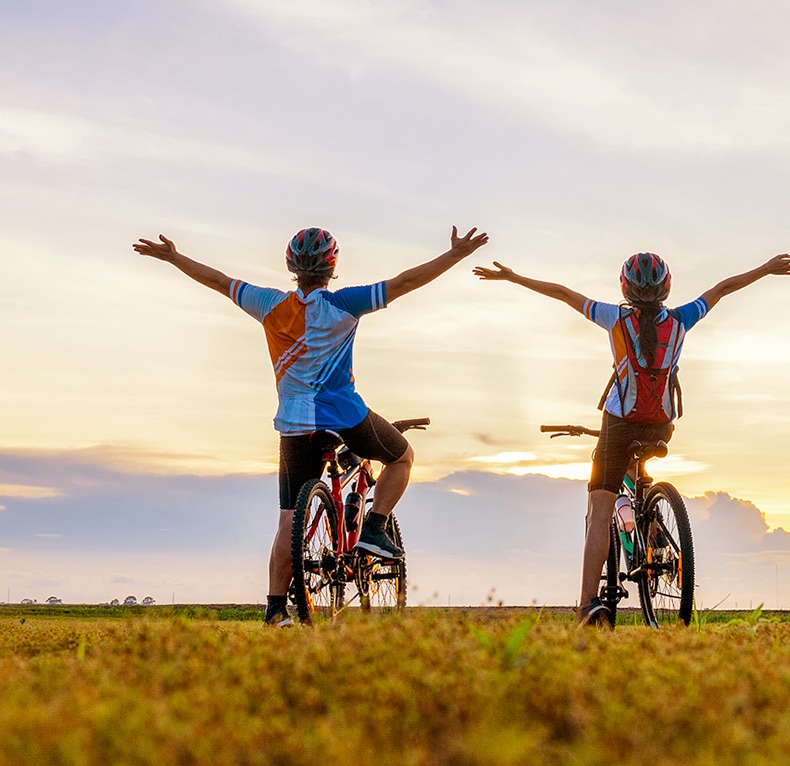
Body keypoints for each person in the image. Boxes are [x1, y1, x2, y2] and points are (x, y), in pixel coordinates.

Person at [134, 225, 488, 625]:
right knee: (402, 457)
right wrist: (455, 255)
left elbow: (218, 281)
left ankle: (275, 610)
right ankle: (374, 529)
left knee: (289, 520)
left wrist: (174, 257)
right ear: (331, 267)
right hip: (344, 416)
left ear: (291, 266)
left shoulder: (267, 303)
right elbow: (406, 282)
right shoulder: (345, 304)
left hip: (293, 424)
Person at [473, 251, 790, 627]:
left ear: (625, 288)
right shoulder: (681, 319)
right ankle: (653, 531)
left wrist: (514, 277)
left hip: (620, 424)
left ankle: (587, 604)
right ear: (666, 288)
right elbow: (721, 289)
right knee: (637, 473)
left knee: (600, 508)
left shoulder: (614, 318)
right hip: (661, 425)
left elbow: (563, 293)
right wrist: (766, 269)